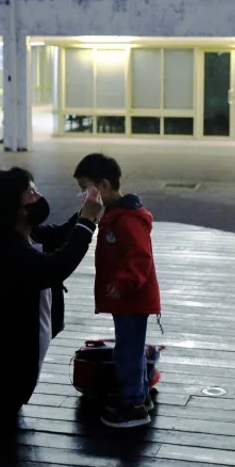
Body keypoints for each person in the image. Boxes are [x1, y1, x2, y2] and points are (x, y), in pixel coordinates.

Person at [0, 167, 104, 467]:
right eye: (30, 192)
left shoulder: (25, 234)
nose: (38, 196)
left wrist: (83, 215)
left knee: (1, 437)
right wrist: (87, 224)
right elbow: (55, 267)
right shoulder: (8, 252)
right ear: (14, 210)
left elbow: (55, 236)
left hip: (12, 364)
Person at [73, 153, 161, 428]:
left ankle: (133, 405)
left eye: (85, 188)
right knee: (129, 349)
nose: (83, 195)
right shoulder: (113, 215)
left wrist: (123, 284)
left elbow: (140, 257)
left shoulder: (127, 220)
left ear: (104, 186)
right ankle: (139, 395)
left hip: (132, 298)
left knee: (128, 352)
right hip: (127, 299)